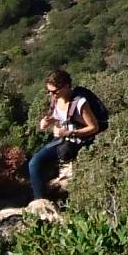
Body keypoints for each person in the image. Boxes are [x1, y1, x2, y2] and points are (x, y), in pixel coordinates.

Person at [27, 69, 104, 203]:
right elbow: (59, 115)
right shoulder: (56, 99)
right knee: (34, 163)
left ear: (67, 86)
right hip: (64, 139)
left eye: (55, 91)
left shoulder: (80, 103)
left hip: (80, 141)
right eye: (49, 91)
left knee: (36, 163)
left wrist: (69, 133)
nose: (52, 95)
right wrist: (48, 120)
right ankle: (41, 203)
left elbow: (94, 127)